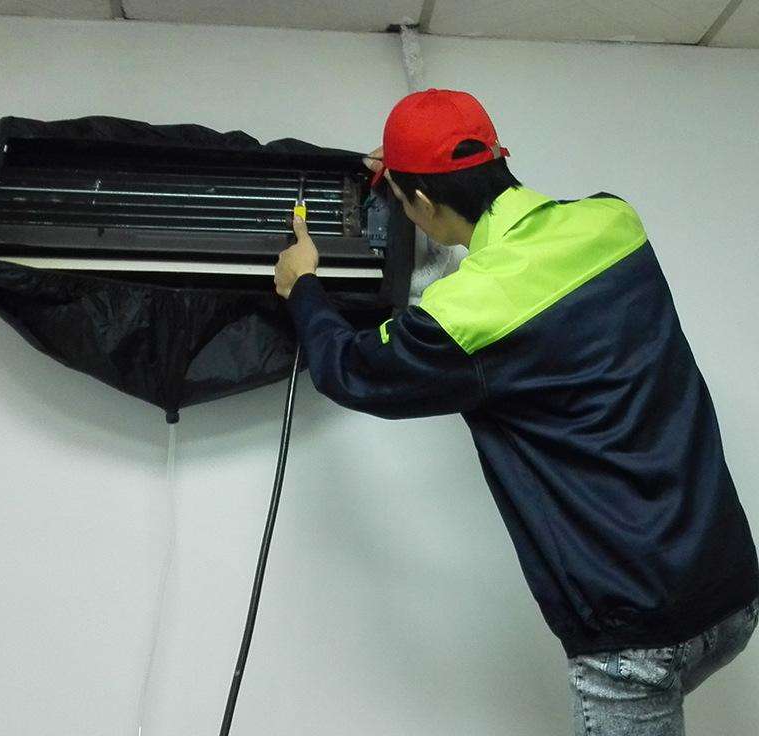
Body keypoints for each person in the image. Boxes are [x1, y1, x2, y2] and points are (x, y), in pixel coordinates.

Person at [273, 88, 759, 735]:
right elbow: (515, 288)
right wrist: (405, 173)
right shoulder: (614, 221)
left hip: (636, 639)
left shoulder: (465, 316)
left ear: (421, 202)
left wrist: (302, 286)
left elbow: (351, 370)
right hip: (730, 592)